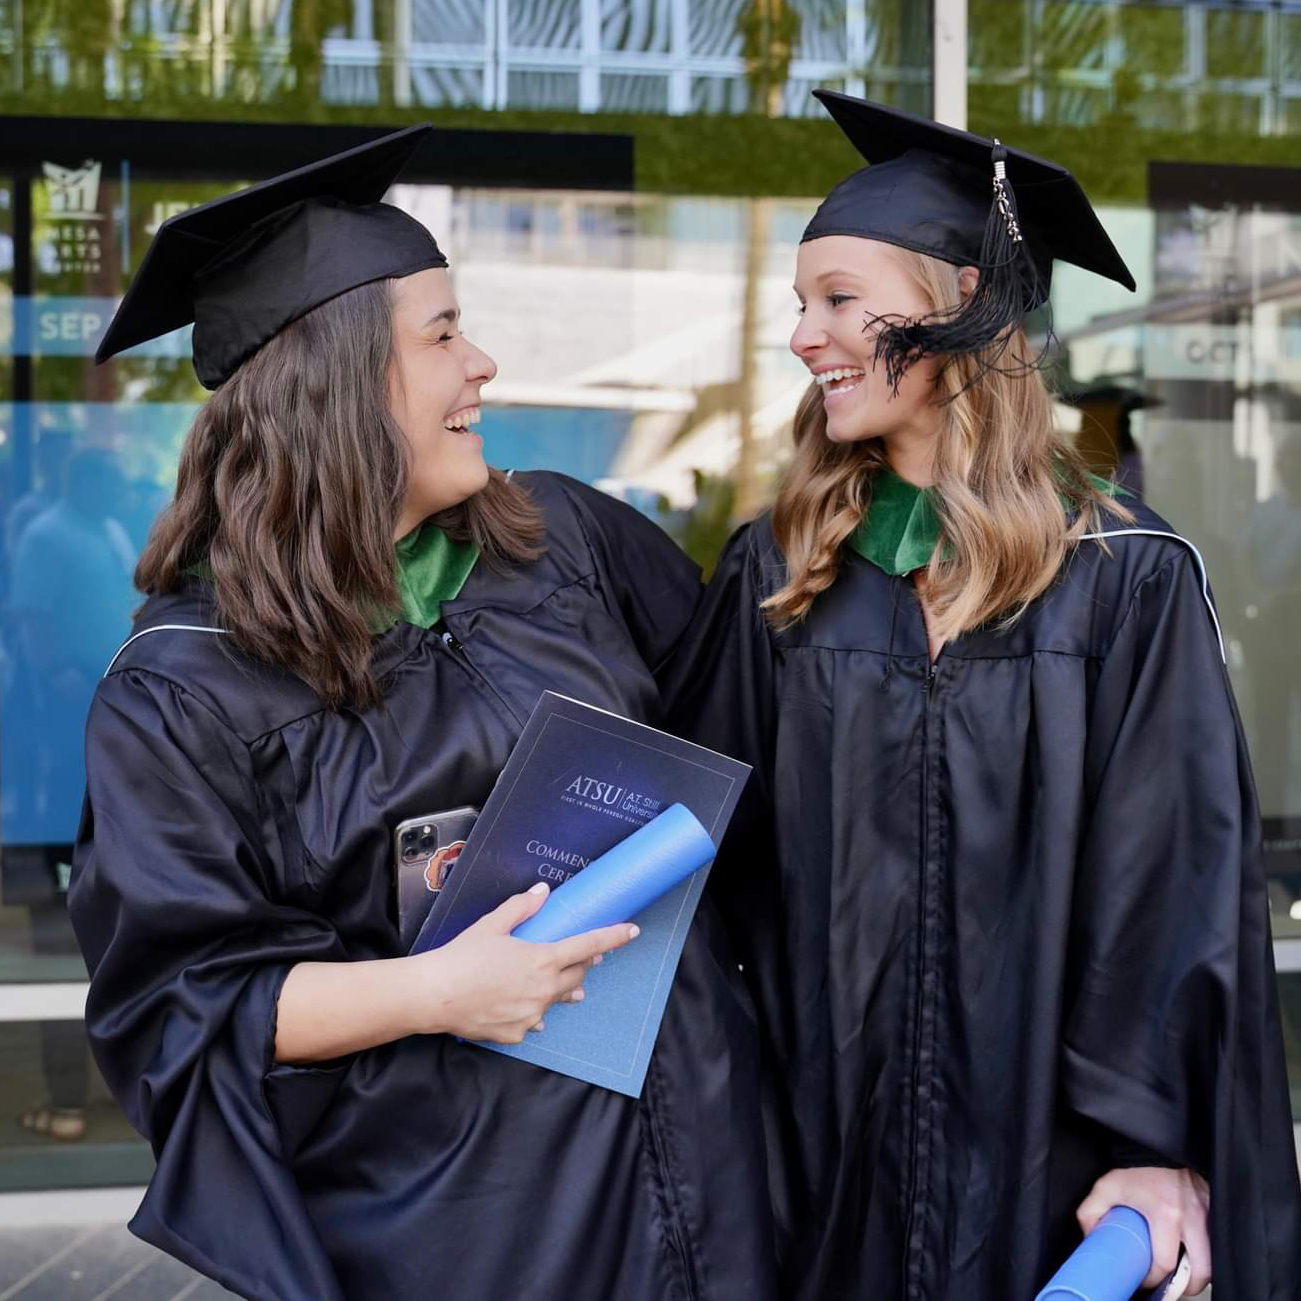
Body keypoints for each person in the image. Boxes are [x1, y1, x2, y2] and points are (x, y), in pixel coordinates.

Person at [69, 126, 775, 1301]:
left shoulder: (572, 544)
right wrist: (434, 988)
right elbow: (182, 1005)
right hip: (469, 1230)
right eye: (443, 333)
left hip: (707, 1183)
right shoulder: (185, 688)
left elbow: (762, 761)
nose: (483, 362)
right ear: (337, 381)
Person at [666, 91, 1301, 1301]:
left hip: (1049, 1183)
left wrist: (1148, 1140)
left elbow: (1165, 887)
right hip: (814, 1170)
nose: (803, 335)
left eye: (838, 298)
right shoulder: (780, 572)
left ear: (960, 300)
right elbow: (698, 859)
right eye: (798, 303)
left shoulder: (1122, 577)